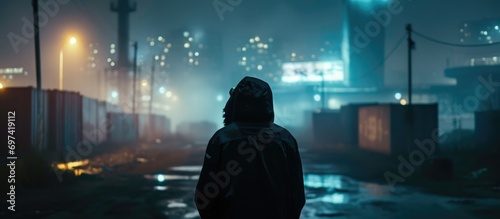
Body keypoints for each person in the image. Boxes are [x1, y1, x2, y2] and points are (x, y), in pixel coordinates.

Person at [194, 76, 305, 219]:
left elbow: (204, 195)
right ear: (267, 103)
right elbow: (297, 195)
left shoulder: (221, 139)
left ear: (235, 103)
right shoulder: (285, 139)